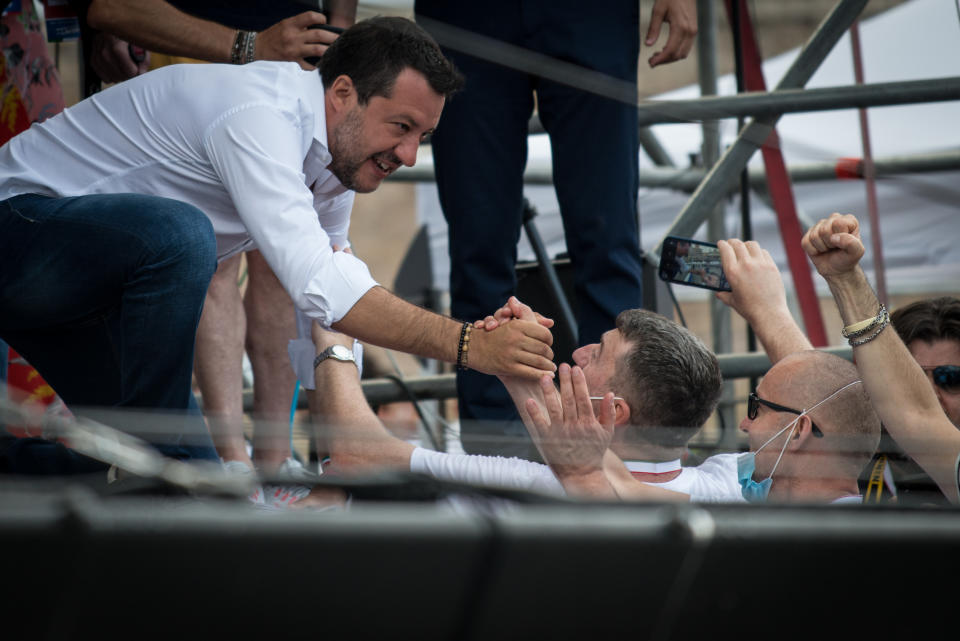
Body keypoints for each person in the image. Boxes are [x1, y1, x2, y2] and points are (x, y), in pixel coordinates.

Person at [0, 17, 555, 476]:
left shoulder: (337, 163)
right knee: (180, 236)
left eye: (421, 137)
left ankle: (94, 468)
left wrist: (344, 446)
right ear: (342, 94)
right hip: (16, 230)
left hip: (79, 286)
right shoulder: (259, 114)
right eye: (402, 126)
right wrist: (469, 346)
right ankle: (156, 459)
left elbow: (329, 305)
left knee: (190, 483)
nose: (409, 155)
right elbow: (327, 289)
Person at [77, 0, 360, 499]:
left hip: (300, 32)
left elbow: (327, 269)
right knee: (209, 255)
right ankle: (230, 459)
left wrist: (342, 27)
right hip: (198, 27)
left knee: (286, 264)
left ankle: (275, 457)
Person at [413, 0, 697, 459]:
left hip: (588, 12)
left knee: (608, 241)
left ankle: (620, 447)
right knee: (477, 246)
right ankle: (497, 459)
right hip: (470, 13)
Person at [305, 297, 741, 504]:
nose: (578, 352)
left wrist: (334, 336)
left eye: (599, 353)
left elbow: (358, 455)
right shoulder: (727, 485)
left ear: (613, 412)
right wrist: (510, 368)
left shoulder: (536, 486)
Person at [801, 213, 960, 504]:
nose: (929, 395)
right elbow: (804, 387)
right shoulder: (862, 459)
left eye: (949, 377)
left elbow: (916, 413)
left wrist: (847, 279)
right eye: (909, 377)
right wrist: (766, 306)